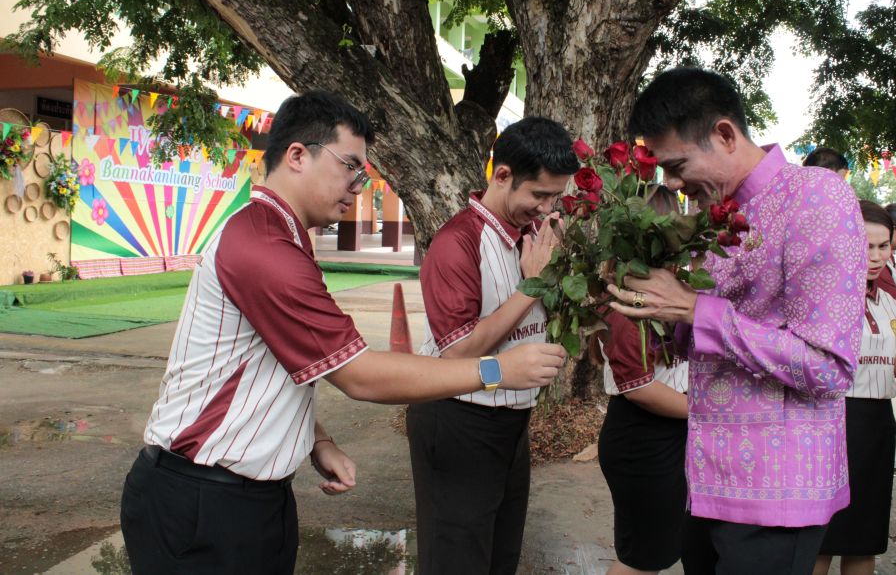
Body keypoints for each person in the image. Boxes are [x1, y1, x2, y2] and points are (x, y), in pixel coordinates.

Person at [119, 92, 567, 575]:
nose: (358, 185)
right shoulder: (263, 246)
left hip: (250, 497)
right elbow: (359, 376)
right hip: (201, 500)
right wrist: (497, 370)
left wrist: (316, 438)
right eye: (350, 166)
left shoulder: (284, 237)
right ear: (297, 155)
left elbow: (271, 365)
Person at [606, 67, 867, 575]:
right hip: (707, 476)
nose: (672, 184)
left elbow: (829, 366)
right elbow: (701, 346)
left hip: (777, 486)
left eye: (677, 165)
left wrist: (692, 309)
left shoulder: (815, 196)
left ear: (725, 134)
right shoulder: (716, 218)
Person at [407, 116, 579, 575]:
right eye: (538, 195)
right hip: (459, 419)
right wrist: (531, 285)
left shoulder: (531, 236)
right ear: (502, 175)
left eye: (555, 197)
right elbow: (458, 353)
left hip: (511, 421)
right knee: (457, 560)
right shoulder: (458, 242)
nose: (545, 208)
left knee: (500, 556)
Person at [814, 201, 896, 575]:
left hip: (877, 424)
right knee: (822, 540)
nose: (875, 256)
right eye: (865, 245)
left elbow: (886, 358)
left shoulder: (888, 299)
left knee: (865, 539)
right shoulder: (822, 297)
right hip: (834, 421)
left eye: (883, 246)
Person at [597, 309, 689, 575]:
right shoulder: (624, 309)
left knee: (656, 552)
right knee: (641, 559)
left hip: (673, 429)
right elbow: (638, 389)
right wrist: (710, 413)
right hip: (643, 438)